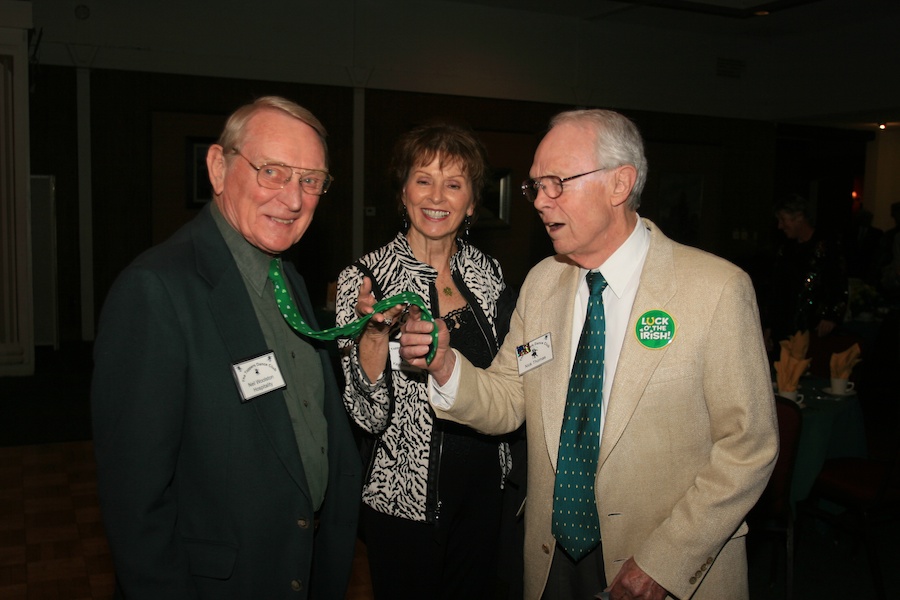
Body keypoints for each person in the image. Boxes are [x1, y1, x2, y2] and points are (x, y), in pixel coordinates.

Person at [399, 109, 778, 600]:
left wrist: (664, 561)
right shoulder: (542, 283)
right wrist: (446, 366)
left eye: (557, 183)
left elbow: (748, 448)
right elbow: (509, 395)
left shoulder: (716, 290)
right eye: (535, 186)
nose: (540, 201)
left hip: (670, 568)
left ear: (620, 184)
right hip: (550, 558)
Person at [91, 96, 361, 599]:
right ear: (218, 167)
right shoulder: (156, 290)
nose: (295, 199)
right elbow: (135, 504)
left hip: (299, 566)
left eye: (311, 180)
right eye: (273, 172)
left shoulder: (289, 280)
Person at [335, 123, 518, 599]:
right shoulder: (364, 279)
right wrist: (374, 331)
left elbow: (505, 382)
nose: (437, 196)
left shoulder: (489, 275)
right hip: (402, 498)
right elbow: (366, 415)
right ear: (402, 192)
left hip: (483, 493)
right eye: (423, 179)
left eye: (454, 184)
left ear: (472, 202)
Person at [763, 193, 848, 351]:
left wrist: (831, 316)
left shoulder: (826, 246)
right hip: (785, 327)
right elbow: (776, 289)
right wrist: (769, 327)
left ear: (799, 217)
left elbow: (838, 282)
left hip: (814, 327)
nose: (780, 226)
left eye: (783, 219)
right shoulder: (786, 249)